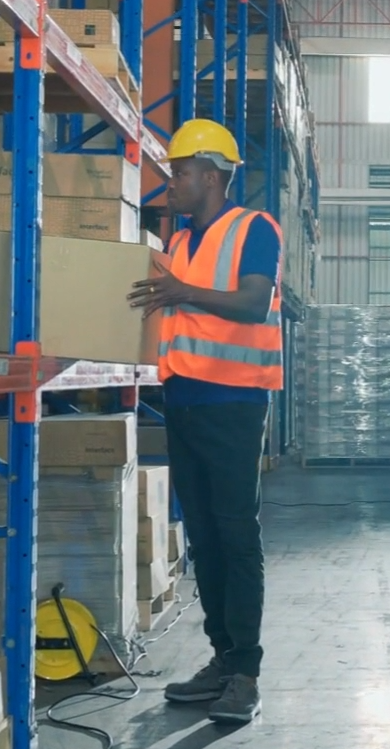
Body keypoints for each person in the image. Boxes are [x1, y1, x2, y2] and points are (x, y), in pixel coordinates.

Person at [128, 118, 284, 724]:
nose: (171, 183)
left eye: (182, 172)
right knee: (204, 537)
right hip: (185, 401)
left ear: (213, 178)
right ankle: (222, 657)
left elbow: (251, 301)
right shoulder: (181, 245)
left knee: (236, 534)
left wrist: (181, 294)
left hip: (236, 402)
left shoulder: (254, 229)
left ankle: (245, 671)